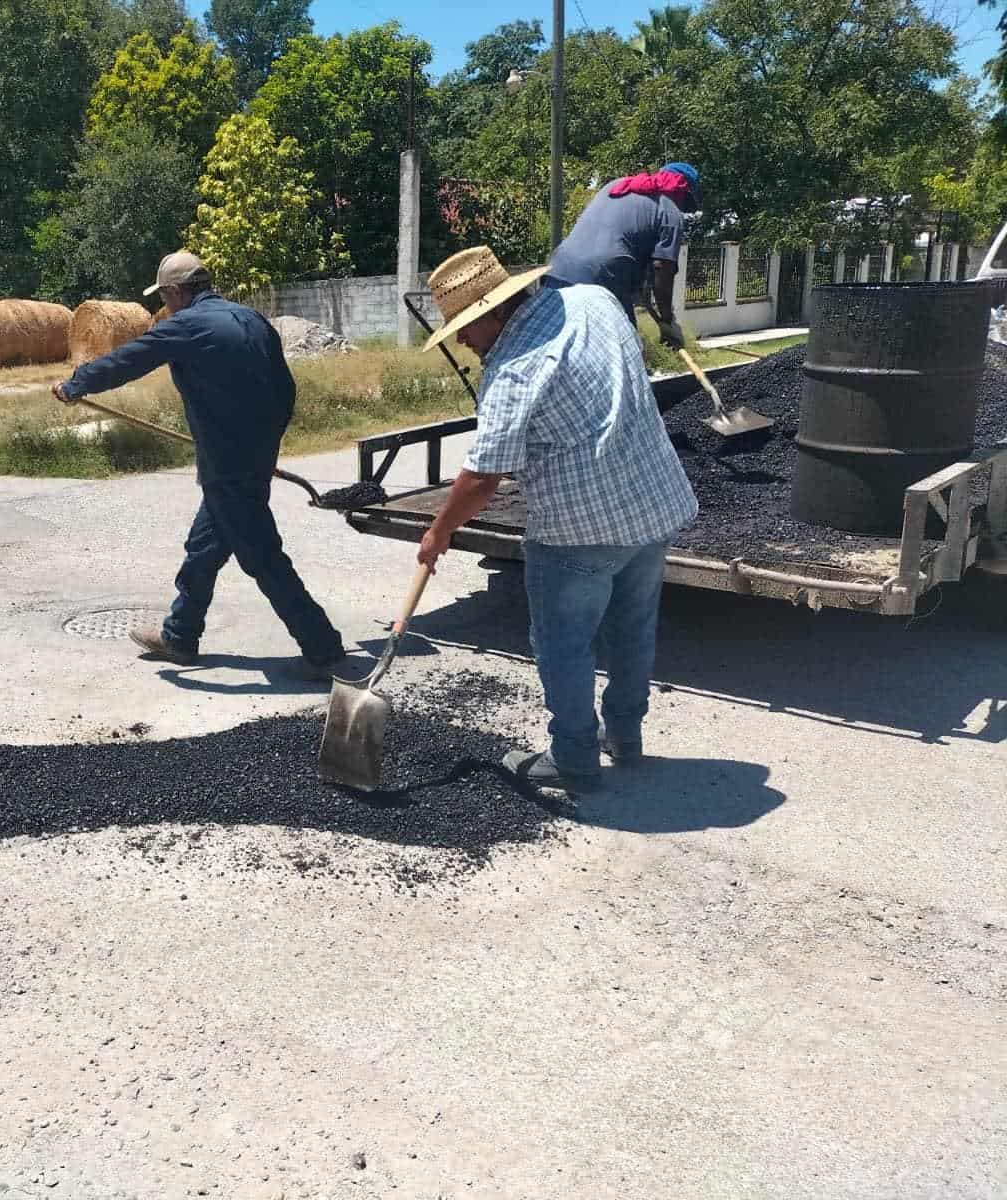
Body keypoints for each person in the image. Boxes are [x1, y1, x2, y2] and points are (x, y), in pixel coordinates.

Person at [415, 246, 698, 792]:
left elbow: (482, 478)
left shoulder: (514, 368)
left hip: (578, 531)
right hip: (653, 502)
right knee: (631, 629)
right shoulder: (593, 301)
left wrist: (438, 530)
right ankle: (625, 736)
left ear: (495, 312)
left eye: (466, 327)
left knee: (564, 644)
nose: (462, 341)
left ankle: (573, 756)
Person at [51, 251, 346, 678]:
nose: (164, 305)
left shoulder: (184, 325)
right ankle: (180, 636)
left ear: (174, 291)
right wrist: (264, 450)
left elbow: (128, 360)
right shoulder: (252, 319)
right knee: (204, 548)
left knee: (261, 556)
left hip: (229, 465)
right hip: (244, 458)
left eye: (165, 297)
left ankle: (324, 649)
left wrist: (75, 385)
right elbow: (286, 390)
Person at [545, 161, 702, 348]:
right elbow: (662, 270)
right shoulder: (670, 212)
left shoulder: (617, 185)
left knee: (559, 346)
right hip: (603, 279)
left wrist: (640, 286)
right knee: (626, 351)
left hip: (557, 269)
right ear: (682, 192)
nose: (682, 207)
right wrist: (668, 322)